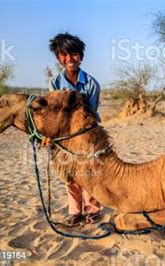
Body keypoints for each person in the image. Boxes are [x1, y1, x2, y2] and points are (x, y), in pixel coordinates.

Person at [48, 32, 101, 225]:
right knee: (70, 176)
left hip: (86, 135)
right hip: (63, 137)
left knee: (88, 173)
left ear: (81, 56)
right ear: (58, 58)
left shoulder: (92, 84)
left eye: (74, 54)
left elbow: (92, 114)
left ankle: (93, 209)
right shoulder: (55, 83)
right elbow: (53, 113)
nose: (70, 58)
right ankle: (75, 212)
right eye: (64, 54)